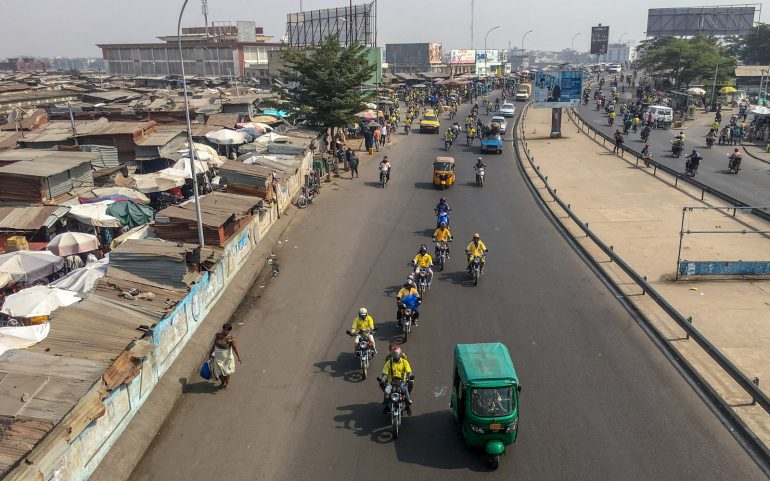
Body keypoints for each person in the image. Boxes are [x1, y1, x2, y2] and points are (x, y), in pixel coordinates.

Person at [378, 345, 414, 414]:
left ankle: (408, 406)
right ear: (391, 355)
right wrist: (382, 380)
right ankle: (386, 406)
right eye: (394, 356)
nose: (395, 358)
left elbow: (409, 372)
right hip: (391, 383)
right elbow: (385, 374)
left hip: (402, 382)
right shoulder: (388, 362)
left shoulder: (404, 362)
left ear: (399, 355)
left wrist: (409, 378)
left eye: (396, 356)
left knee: (405, 391)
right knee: (386, 392)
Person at [209, 323, 242, 389]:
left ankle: (227, 383)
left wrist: (238, 357)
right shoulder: (218, 335)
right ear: (223, 329)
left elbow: (235, 348)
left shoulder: (231, 338)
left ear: (229, 331)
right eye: (224, 330)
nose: (225, 332)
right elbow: (214, 345)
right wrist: (211, 354)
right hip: (218, 357)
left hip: (226, 359)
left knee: (226, 372)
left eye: (227, 331)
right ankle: (223, 381)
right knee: (218, 372)